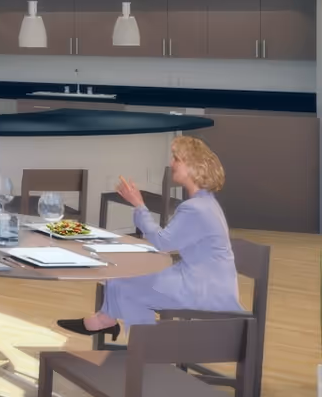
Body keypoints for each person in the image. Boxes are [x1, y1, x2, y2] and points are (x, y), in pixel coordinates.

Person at [57, 133, 240, 339]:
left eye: (177, 159)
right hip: (206, 282)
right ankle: (117, 328)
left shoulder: (195, 208)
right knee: (122, 279)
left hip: (204, 289)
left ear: (193, 166)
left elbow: (163, 243)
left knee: (125, 284)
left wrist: (139, 205)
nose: (171, 163)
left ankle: (140, 344)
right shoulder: (206, 203)